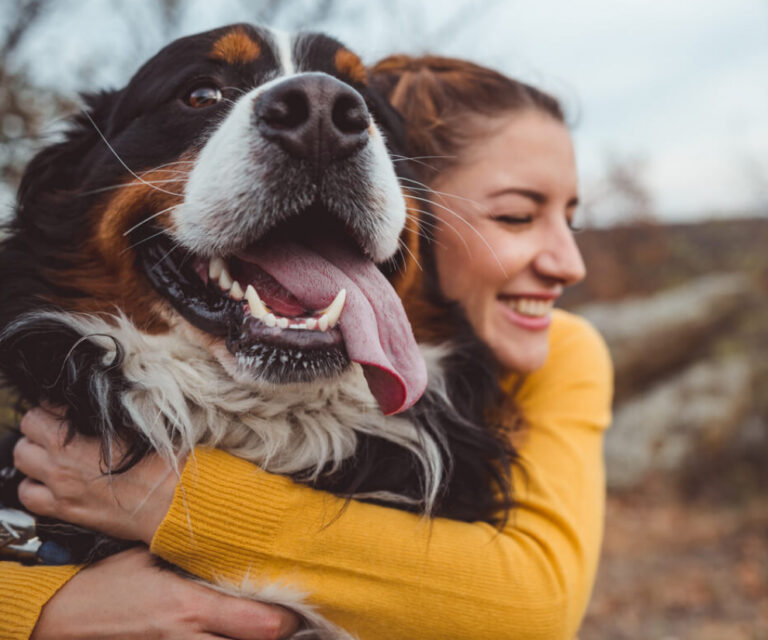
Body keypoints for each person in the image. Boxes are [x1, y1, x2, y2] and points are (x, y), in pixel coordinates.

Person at [0, 55, 612, 640]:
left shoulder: (563, 352)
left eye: (571, 219)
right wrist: (39, 608)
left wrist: (173, 501)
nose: (570, 264)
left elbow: (535, 606)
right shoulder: (44, 446)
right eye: (515, 217)